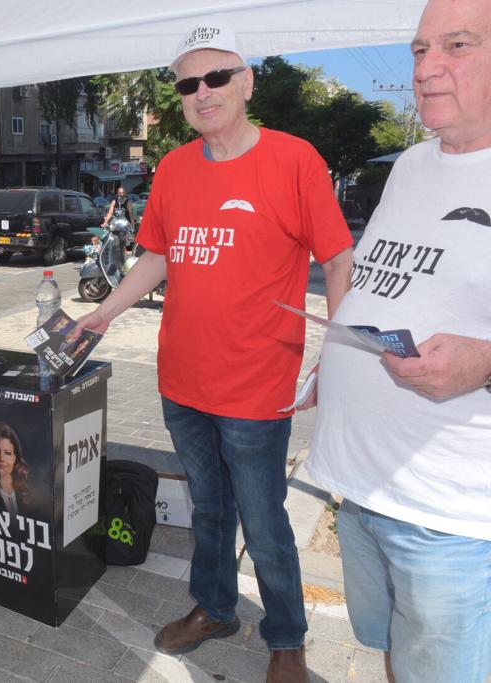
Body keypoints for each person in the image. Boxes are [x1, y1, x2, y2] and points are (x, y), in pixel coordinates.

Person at [73, 24, 353, 682]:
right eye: (188, 84)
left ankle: (287, 637)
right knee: (208, 507)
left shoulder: (295, 160)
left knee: (263, 518)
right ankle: (216, 607)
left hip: (257, 386)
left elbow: (339, 259)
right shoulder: (174, 167)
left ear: (246, 82)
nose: (202, 92)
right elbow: (158, 256)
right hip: (182, 379)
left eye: (217, 77)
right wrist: (105, 312)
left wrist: (338, 354)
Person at [305, 2, 491, 681]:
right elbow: (388, 283)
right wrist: (335, 363)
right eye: (419, 50)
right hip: (360, 490)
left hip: (449, 516)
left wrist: (485, 363)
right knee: (390, 652)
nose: (426, 68)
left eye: (457, 46)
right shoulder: (412, 163)